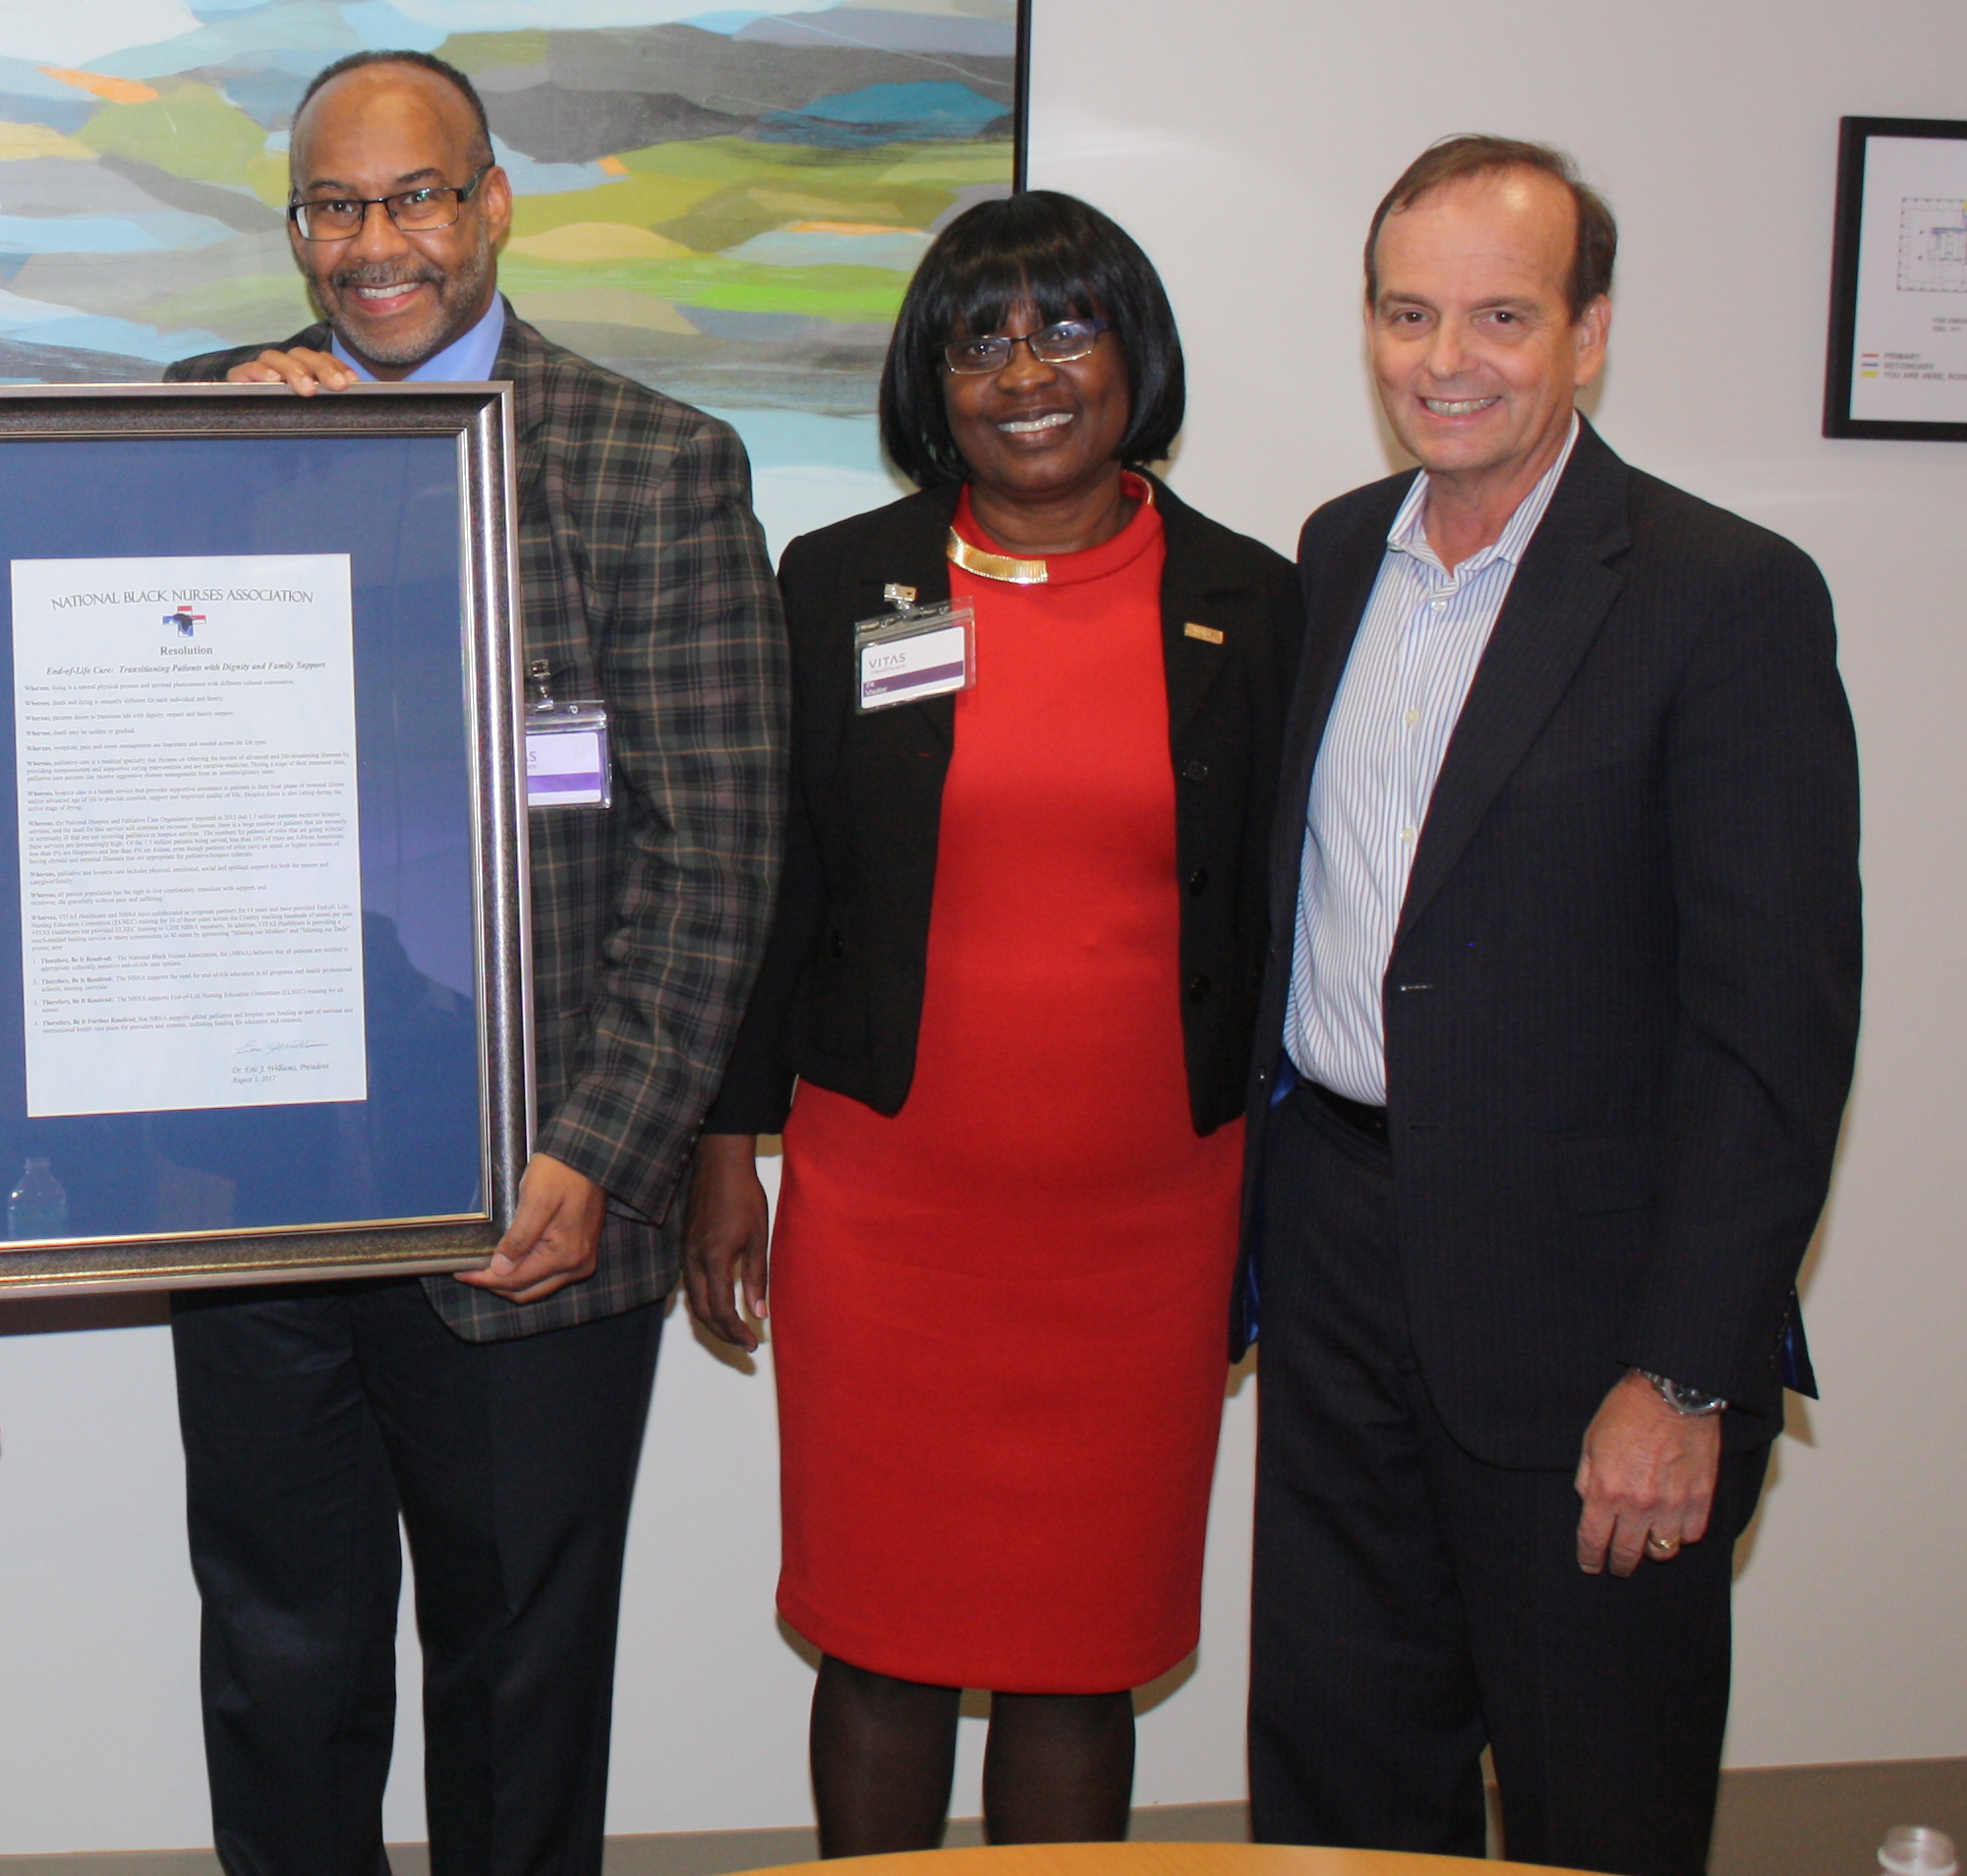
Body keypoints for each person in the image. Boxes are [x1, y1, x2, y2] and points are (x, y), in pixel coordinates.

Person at [161, 49, 787, 1876]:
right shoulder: (198, 422)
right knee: (278, 1674)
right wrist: (220, 476)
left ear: (494, 202)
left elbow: (719, 852)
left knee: (517, 1697)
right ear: (294, 232)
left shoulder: (651, 461)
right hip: (262, 1193)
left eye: (416, 196)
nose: (377, 245)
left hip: (536, 1210)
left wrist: (597, 1149)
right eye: (333, 207)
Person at [1243, 138, 1862, 1876]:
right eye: (1410, 312)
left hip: (1596, 1312)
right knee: (1343, 1778)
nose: (1448, 358)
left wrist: (1684, 1369)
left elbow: (1773, 1034)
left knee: (1599, 1795)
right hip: (1343, 1253)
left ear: (1589, 335)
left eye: (1503, 315)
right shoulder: (1340, 550)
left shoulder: (1721, 596)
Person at [682, 192, 1300, 1852]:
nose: (1026, 371)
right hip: (893, 1221)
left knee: (1077, 1659)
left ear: (1133, 354)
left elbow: (1277, 913)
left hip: (1148, 1230)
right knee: (882, 1641)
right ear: (933, 377)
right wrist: (724, 1154)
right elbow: (775, 884)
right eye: (981, 337)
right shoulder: (840, 586)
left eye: (1067, 325)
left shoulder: (1250, 602)